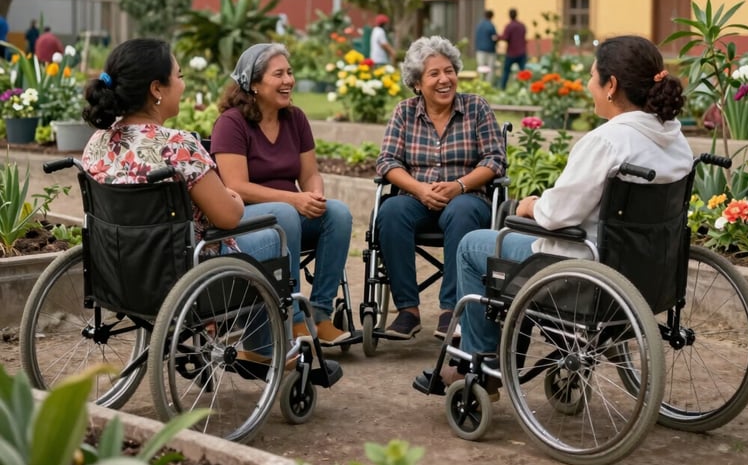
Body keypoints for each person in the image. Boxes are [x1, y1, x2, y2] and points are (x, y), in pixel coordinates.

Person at [448, 35, 693, 383]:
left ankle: (482, 361)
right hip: (648, 270)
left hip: (584, 270)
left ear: (611, 86)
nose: (587, 84)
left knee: (474, 244)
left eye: (592, 76)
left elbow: (558, 216)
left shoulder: (607, 141)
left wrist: (533, 206)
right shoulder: (673, 136)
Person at [80, 39, 282, 357]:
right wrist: (235, 198)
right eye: (180, 75)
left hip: (117, 268)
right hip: (181, 271)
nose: (183, 84)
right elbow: (228, 217)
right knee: (273, 237)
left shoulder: (97, 142)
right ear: (157, 89)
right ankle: (266, 351)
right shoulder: (177, 145)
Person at [210, 42, 353, 346]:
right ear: (255, 84)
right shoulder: (231, 123)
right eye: (279, 74)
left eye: (290, 72)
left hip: (290, 210)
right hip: (246, 217)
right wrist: (294, 199)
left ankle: (321, 313)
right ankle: (294, 318)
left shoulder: (295, 118)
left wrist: (314, 195)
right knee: (284, 214)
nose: (289, 80)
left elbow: (309, 173)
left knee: (337, 214)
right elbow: (236, 186)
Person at [375, 35, 506, 341]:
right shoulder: (404, 112)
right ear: (417, 83)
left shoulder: (476, 108)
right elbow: (387, 161)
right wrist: (419, 189)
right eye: (434, 74)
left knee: (461, 212)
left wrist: (459, 185)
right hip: (416, 198)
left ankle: (452, 310)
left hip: (467, 197)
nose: (445, 79)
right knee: (391, 211)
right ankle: (408, 310)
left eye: (449, 71)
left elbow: (495, 159)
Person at [498, 8, 527, 89]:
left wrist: (497, 37)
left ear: (509, 15)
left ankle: (502, 88)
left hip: (511, 53)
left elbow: (505, 37)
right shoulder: (522, 26)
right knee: (523, 73)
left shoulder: (509, 26)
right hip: (522, 52)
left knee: (506, 72)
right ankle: (523, 88)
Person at [474, 10, 497, 84]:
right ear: (492, 16)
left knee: (481, 66)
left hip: (480, 49)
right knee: (490, 68)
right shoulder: (491, 26)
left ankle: (480, 82)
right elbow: (494, 38)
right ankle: (488, 83)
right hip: (490, 50)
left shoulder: (479, 25)